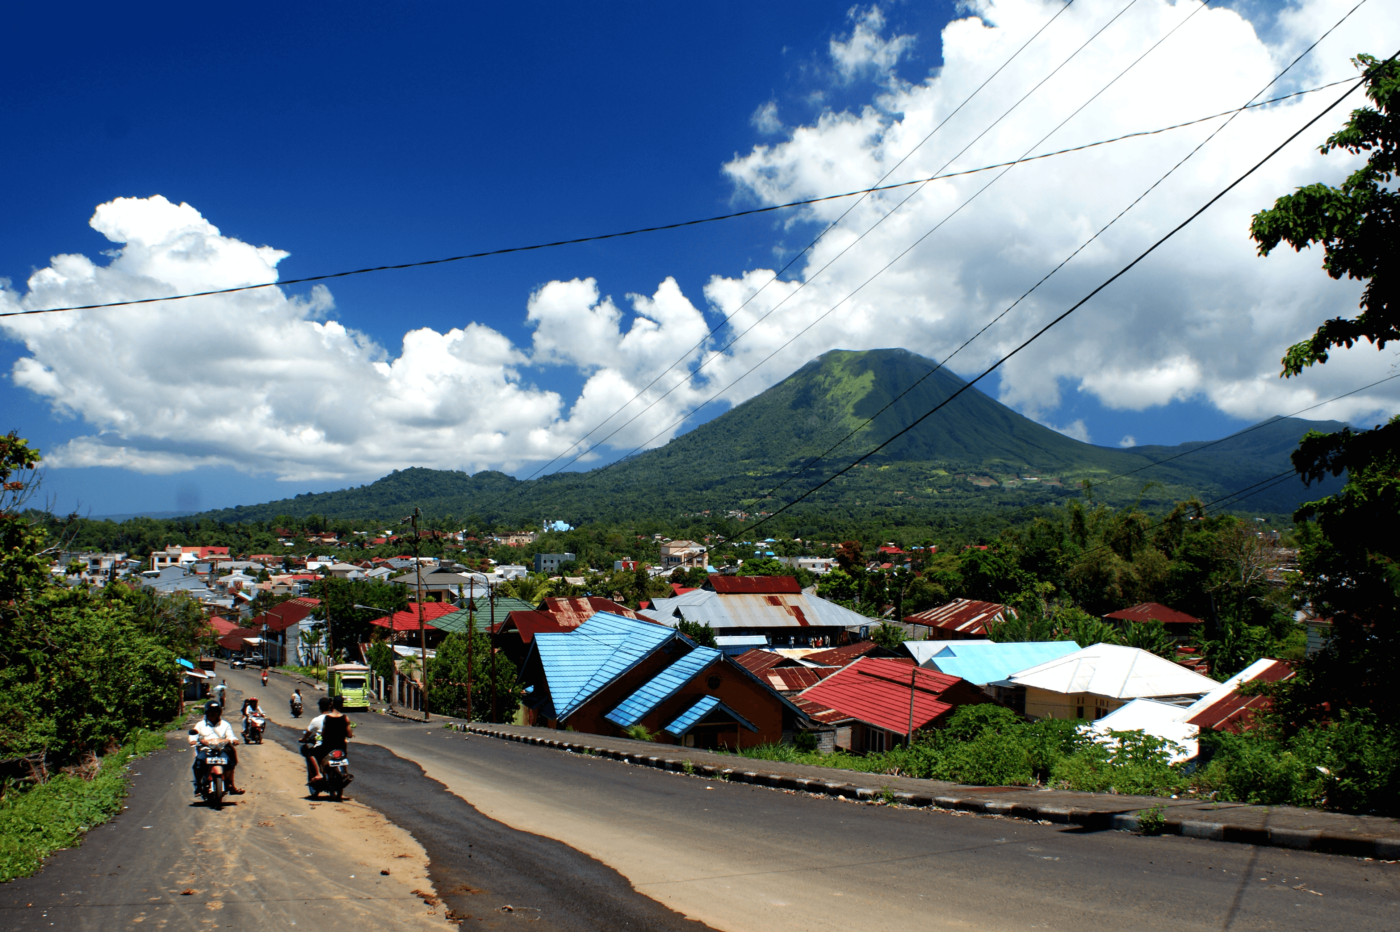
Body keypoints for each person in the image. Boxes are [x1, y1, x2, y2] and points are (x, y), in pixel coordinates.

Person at [189, 700, 243, 794]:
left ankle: (229, 783)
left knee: (230, 762)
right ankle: (198, 785)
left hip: (221, 749)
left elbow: (230, 735)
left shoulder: (225, 724)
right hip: (206, 749)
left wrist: (234, 740)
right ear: (207, 712)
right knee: (198, 764)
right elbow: (194, 734)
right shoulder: (200, 725)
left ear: (219, 712)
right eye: (211, 711)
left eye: (215, 711)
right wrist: (193, 740)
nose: (213, 713)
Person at [301, 696, 354, 784]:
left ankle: (319, 774)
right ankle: (345, 772)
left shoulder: (326, 718)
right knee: (343, 754)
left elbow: (323, 734)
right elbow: (349, 734)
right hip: (341, 747)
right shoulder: (345, 718)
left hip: (328, 747)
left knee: (311, 753)